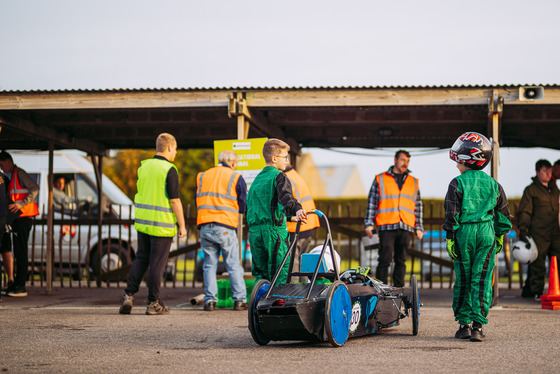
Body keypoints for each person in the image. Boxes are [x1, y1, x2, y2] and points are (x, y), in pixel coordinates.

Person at [443, 132, 512, 342]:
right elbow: (503, 217)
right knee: (481, 278)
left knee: (463, 277)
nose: (456, 165)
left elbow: (451, 214)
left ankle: (463, 325)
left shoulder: (456, 183)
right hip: (487, 234)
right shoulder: (495, 184)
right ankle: (478, 326)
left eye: (458, 161)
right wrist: (499, 237)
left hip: (464, 234)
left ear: (466, 158)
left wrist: (449, 238)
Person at [119, 133, 187, 315]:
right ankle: (153, 303)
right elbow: (174, 200)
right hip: (162, 225)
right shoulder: (169, 169)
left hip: (143, 223)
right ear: (170, 148)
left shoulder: (144, 167)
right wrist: (182, 225)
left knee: (141, 259)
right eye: (176, 150)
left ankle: (128, 296)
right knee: (157, 263)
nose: (176, 154)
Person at [247, 138, 307, 284]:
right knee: (279, 272)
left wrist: (287, 217)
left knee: (261, 275)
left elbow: (262, 206)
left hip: (255, 233)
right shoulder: (279, 176)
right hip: (274, 234)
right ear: (274, 159)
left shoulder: (257, 179)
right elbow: (286, 196)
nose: (286, 161)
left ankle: (259, 304)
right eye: (284, 157)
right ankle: (277, 304)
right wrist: (297, 209)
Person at [196, 150, 248, 311]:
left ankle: (210, 300)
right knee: (233, 265)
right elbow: (243, 205)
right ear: (233, 163)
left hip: (205, 225)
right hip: (225, 226)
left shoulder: (202, 176)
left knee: (209, 265)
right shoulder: (235, 177)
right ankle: (239, 300)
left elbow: (197, 198)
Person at [363, 149, 424, 288]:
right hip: (386, 225)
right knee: (385, 259)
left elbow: (418, 206)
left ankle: (398, 290)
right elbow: (372, 201)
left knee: (401, 260)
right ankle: (380, 291)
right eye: (402, 160)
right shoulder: (380, 178)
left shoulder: (413, 182)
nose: (405, 163)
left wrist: (418, 227)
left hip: (406, 226)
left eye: (407, 161)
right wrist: (369, 224)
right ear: (395, 160)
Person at [517, 159, 560, 300]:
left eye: (549, 171)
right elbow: (525, 211)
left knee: (557, 261)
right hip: (538, 233)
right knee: (538, 264)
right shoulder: (531, 190)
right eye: (544, 171)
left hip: (555, 232)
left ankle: (556, 290)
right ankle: (536, 292)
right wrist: (523, 230)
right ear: (537, 172)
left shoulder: (555, 189)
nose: (548, 174)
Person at [0, 151, 40, 297]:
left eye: (2, 164)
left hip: (24, 217)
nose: (1, 168)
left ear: (8, 162)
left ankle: (21, 286)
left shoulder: (19, 173)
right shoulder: (12, 176)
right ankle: (16, 284)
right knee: (18, 251)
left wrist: (21, 204)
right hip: (18, 218)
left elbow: (35, 188)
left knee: (21, 251)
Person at [284, 162, 320, 283]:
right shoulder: (295, 175)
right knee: (303, 264)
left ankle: (293, 294)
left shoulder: (285, 179)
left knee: (293, 264)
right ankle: (305, 293)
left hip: (296, 226)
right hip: (306, 224)